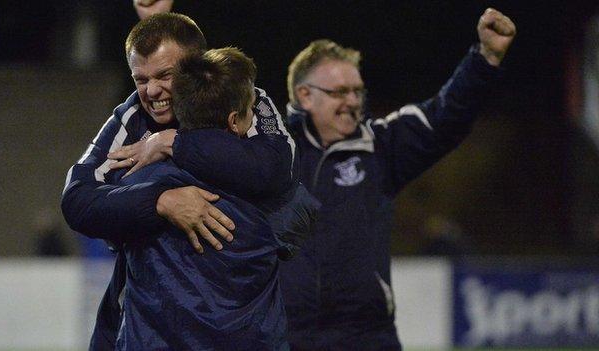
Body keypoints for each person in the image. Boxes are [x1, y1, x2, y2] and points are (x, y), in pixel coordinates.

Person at [61, 13, 308, 350]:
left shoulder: (244, 99)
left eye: (164, 75)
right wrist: (160, 202)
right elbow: (77, 200)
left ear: (196, 67)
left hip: (245, 313)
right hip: (153, 323)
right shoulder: (131, 117)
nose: (152, 91)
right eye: (140, 79)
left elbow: (278, 170)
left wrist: (172, 143)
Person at [278, 8, 516, 350]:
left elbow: (445, 115)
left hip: (367, 338)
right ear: (305, 95)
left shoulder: (379, 146)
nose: (353, 102)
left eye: (357, 91)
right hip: (287, 338)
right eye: (340, 92)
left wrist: (485, 58)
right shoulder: (270, 154)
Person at [114, 47, 298, 350]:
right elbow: (298, 238)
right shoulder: (274, 194)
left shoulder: (136, 182)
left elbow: (98, 221)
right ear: (234, 121)